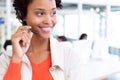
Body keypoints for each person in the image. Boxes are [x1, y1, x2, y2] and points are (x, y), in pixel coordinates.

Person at [0, 0, 82, 80]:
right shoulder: (6, 60)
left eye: (53, 13)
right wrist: (16, 59)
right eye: (40, 13)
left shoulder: (69, 57)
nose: (48, 21)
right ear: (24, 14)